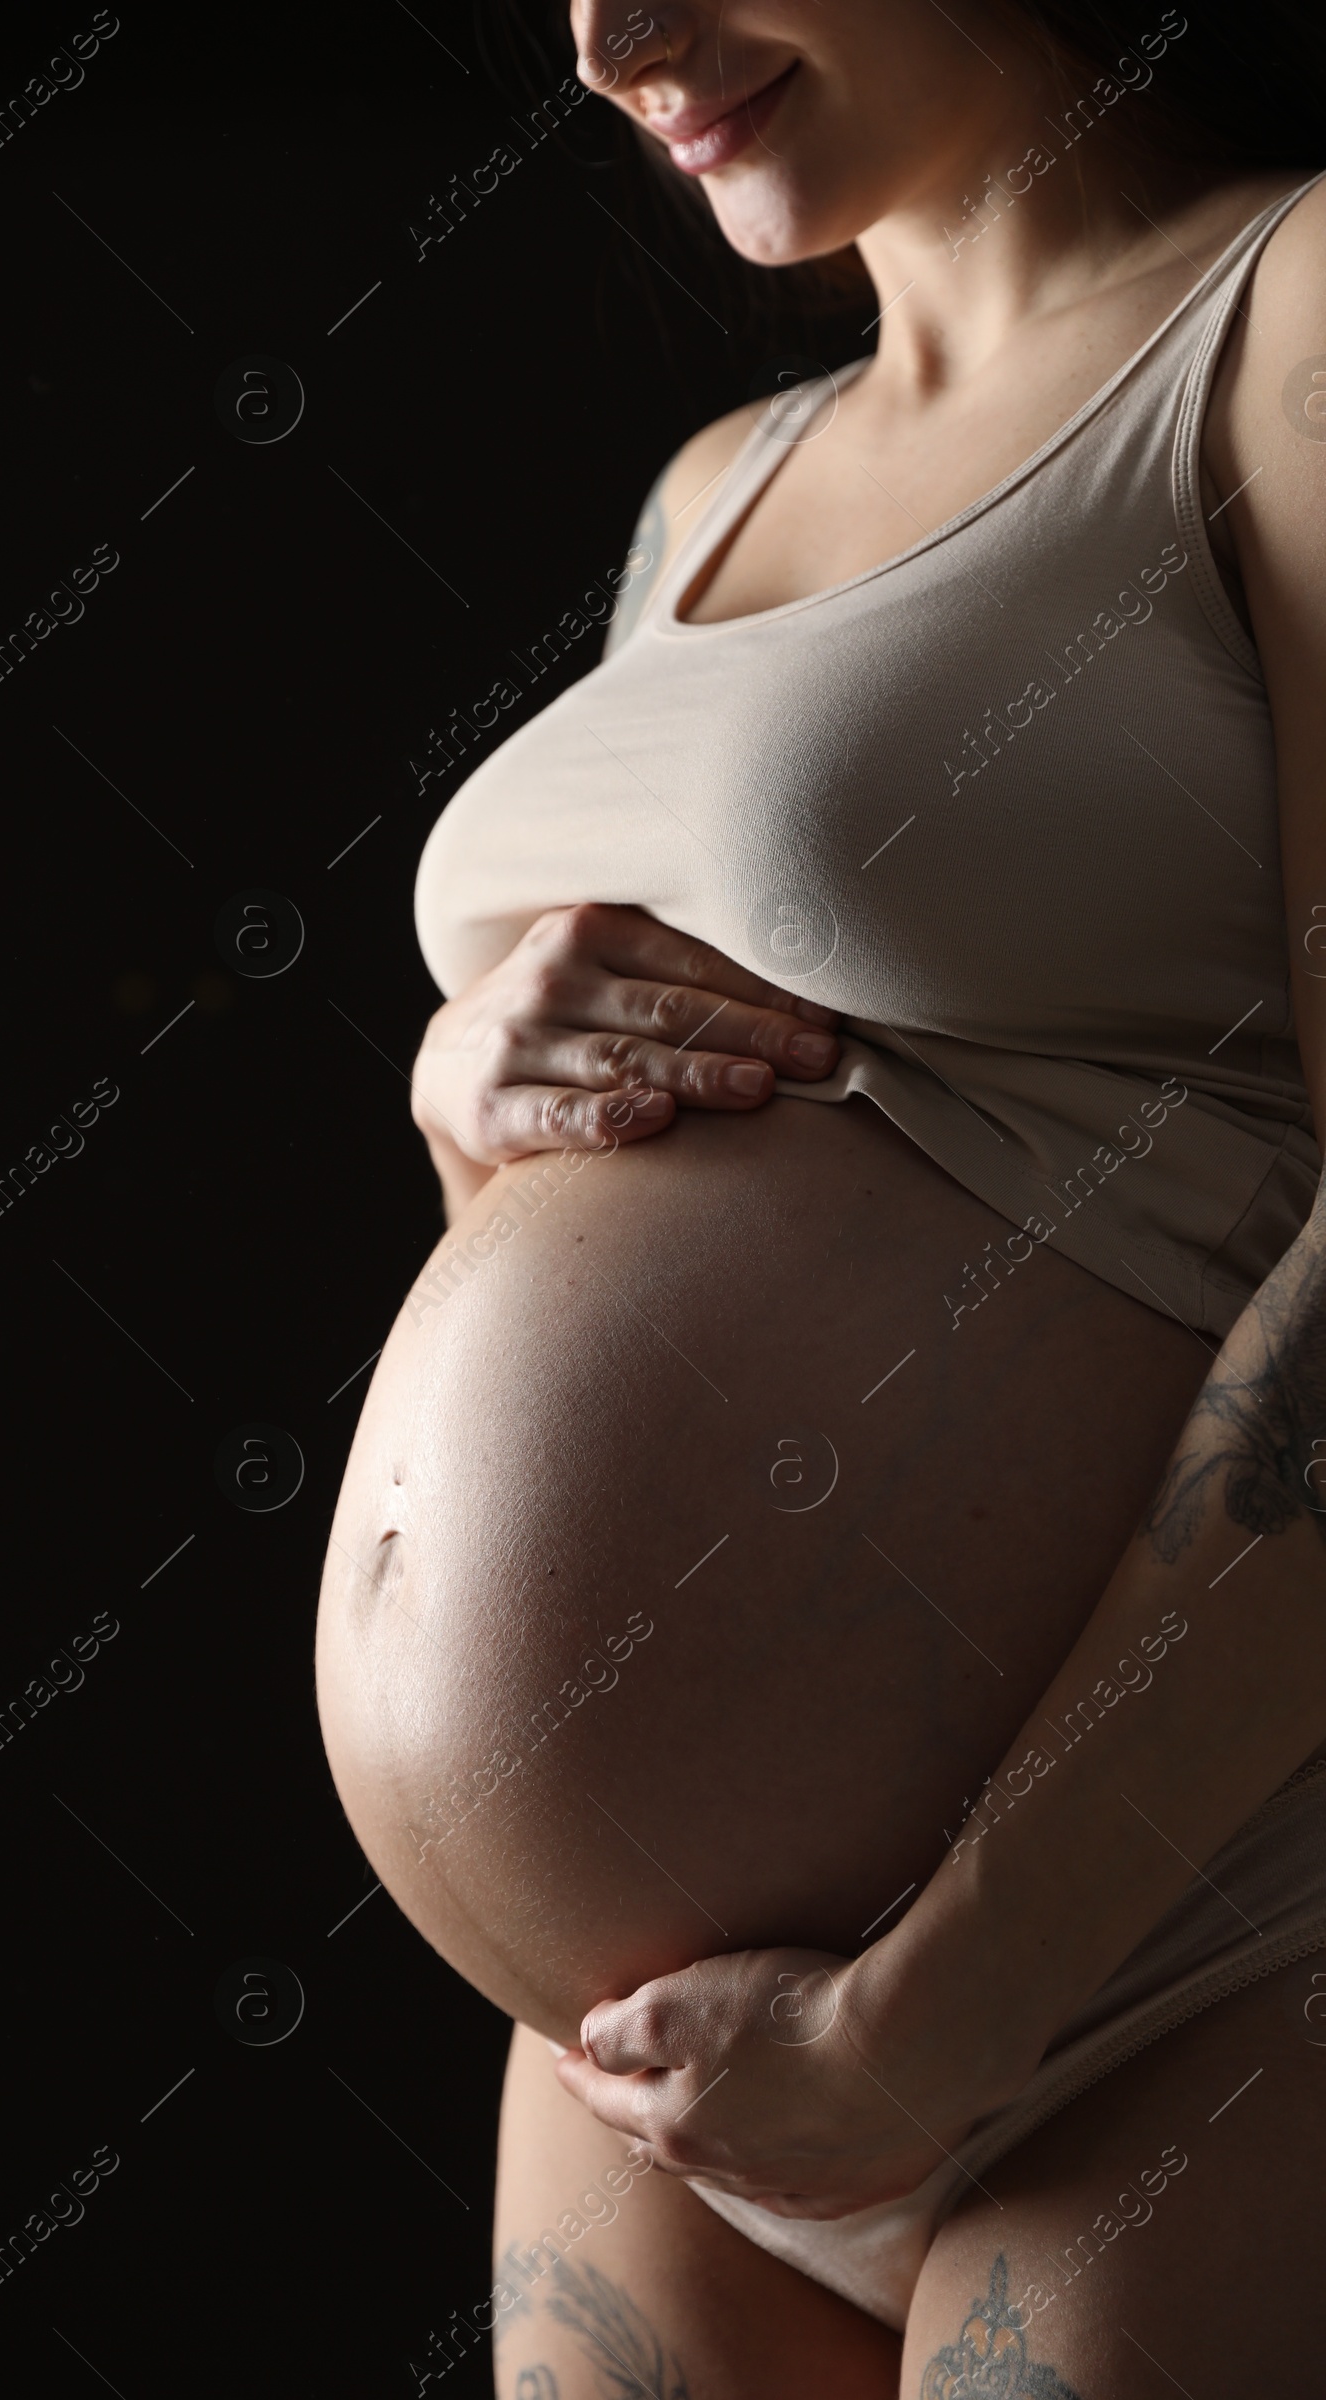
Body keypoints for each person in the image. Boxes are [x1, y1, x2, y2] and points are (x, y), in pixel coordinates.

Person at [316, 4, 1326, 2390]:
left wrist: (934, 2012)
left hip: (1167, 1942)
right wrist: (469, 1082)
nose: (607, 40)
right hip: (646, 2047)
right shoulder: (710, 489)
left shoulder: (1274, 317)